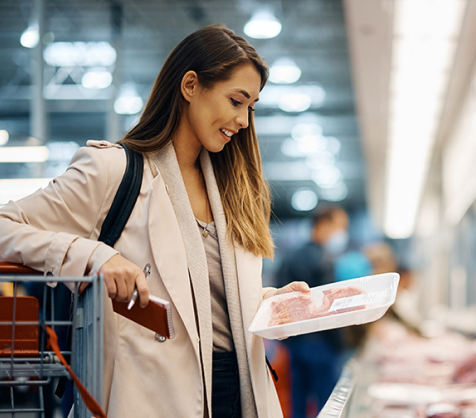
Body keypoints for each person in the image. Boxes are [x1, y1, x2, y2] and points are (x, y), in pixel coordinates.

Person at [0, 24, 309, 418]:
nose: (245, 120)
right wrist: (94, 256)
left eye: (251, 107)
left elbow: (203, 302)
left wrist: (268, 303)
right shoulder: (112, 171)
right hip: (155, 396)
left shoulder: (233, 189)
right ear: (191, 85)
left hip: (241, 393)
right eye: (236, 101)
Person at [275, 206, 349, 418]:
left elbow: (279, 301)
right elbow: (329, 306)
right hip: (321, 343)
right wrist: (340, 344)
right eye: (340, 227)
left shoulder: (289, 258)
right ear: (324, 224)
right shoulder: (323, 259)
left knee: (297, 402)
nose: (341, 233)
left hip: (294, 342)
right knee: (328, 406)